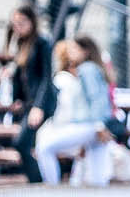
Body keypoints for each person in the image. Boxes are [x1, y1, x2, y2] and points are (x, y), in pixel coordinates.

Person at [32, 38, 112, 186]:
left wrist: (99, 126)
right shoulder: (91, 69)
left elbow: (96, 100)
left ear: (85, 51)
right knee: (97, 176)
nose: (70, 53)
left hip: (90, 125)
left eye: (74, 49)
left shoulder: (87, 69)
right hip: (93, 126)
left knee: (44, 148)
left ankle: (52, 188)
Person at [0, 3, 52, 182]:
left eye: (22, 22)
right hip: (27, 103)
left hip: (40, 103)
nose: (17, 27)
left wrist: (39, 106)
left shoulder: (42, 43)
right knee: (24, 144)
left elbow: (46, 77)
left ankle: (39, 182)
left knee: (22, 143)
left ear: (31, 21)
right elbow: (20, 72)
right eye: (15, 23)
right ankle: (37, 180)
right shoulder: (20, 43)